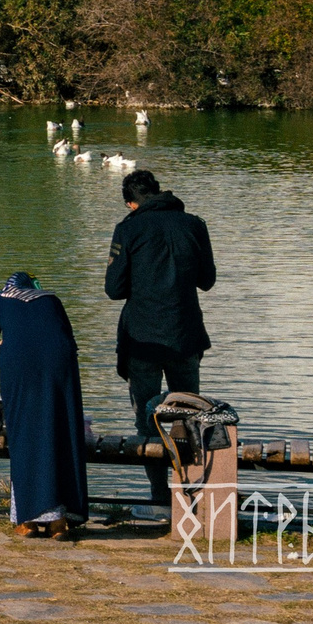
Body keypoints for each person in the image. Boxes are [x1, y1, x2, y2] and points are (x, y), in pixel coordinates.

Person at [106, 169, 217, 517]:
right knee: (191, 417)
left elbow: (113, 289)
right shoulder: (194, 224)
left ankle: (158, 500)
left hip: (142, 340)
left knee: (148, 422)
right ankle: (191, 498)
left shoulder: (128, 228)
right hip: (185, 336)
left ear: (131, 202)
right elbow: (207, 280)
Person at [0, 272, 89, 539]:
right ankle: (59, 521)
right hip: (61, 363)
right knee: (61, 430)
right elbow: (68, 339)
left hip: (20, 365)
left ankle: (28, 519)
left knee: (24, 434)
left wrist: (4, 349)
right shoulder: (51, 299)